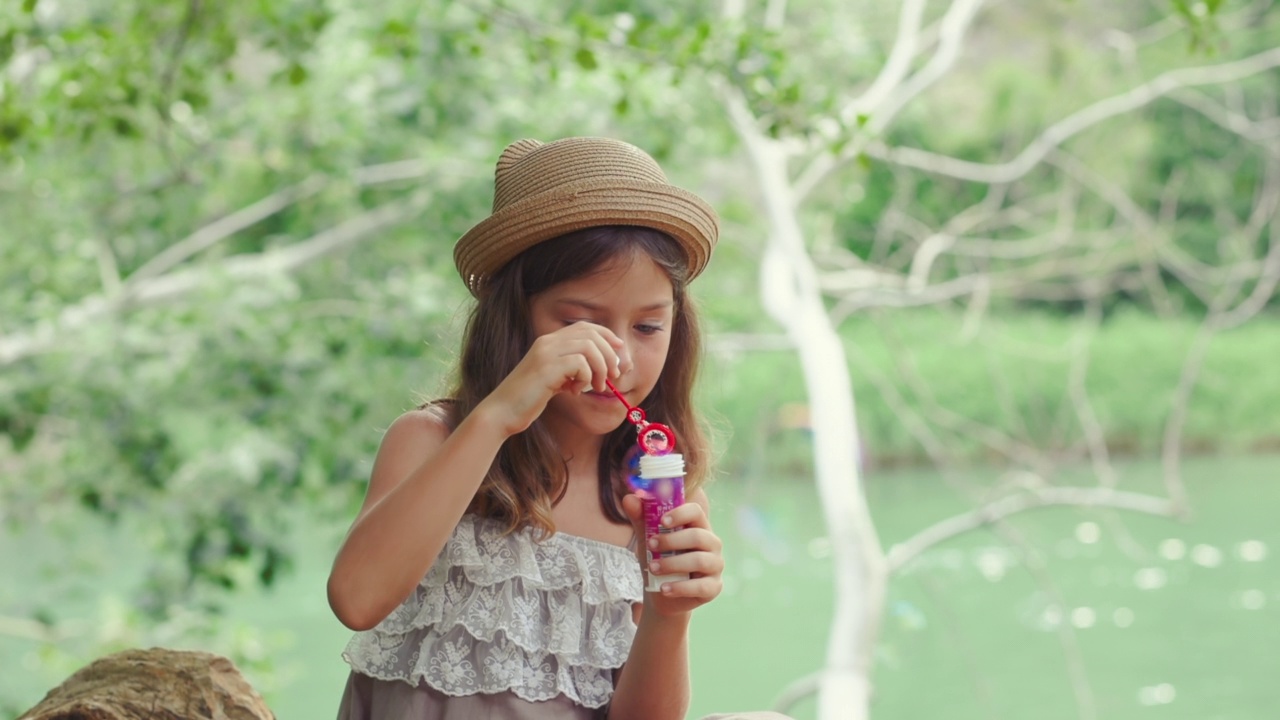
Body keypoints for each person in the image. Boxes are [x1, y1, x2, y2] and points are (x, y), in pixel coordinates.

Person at [327, 137, 790, 720]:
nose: (618, 356)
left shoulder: (654, 492)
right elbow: (356, 599)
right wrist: (497, 415)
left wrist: (670, 613)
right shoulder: (432, 440)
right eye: (578, 322)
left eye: (648, 327)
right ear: (513, 318)